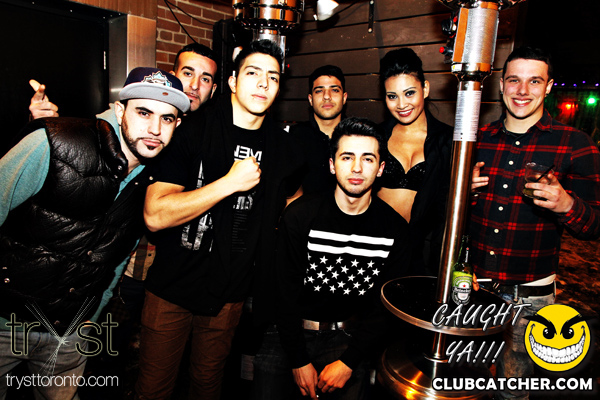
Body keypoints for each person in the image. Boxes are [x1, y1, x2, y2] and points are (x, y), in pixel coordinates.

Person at [0, 67, 189, 400]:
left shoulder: (152, 182)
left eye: (167, 118)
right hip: (5, 321)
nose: (155, 129)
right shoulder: (56, 143)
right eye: (144, 113)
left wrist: (89, 319)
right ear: (120, 110)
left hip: (69, 335)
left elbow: (113, 262)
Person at [135, 39, 304, 400]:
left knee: (208, 388)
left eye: (273, 77)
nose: (263, 83)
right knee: (153, 390)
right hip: (173, 287)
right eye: (253, 73)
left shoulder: (284, 147)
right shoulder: (193, 129)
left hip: (230, 295)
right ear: (232, 81)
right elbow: (154, 214)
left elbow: (295, 201)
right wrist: (228, 183)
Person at [469, 46, 600, 399]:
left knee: (513, 392)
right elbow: (449, 212)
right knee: (464, 383)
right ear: (501, 85)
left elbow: (594, 227)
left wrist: (567, 204)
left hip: (530, 297)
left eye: (534, 81)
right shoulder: (477, 140)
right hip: (473, 290)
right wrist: (463, 195)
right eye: (514, 80)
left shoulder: (576, 144)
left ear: (549, 86)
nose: (522, 91)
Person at [253, 117, 409, 400]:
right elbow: (282, 292)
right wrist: (298, 359)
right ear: (332, 164)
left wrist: (349, 361)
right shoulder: (300, 216)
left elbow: (385, 307)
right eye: (347, 157)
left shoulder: (394, 229)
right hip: (288, 331)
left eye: (368, 159)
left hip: (349, 339)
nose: (357, 168)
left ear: (381, 168)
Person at [377, 48, 453, 276]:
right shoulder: (375, 136)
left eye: (409, 93)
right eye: (392, 96)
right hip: (375, 246)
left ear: (425, 89)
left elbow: (447, 208)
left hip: (420, 255)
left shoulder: (447, 141)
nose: (401, 104)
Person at [289, 65, 348, 196]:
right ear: (310, 99)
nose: (327, 96)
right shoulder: (294, 137)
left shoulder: (358, 137)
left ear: (344, 98)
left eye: (334, 90)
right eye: (319, 91)